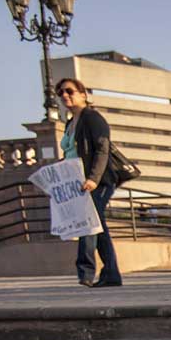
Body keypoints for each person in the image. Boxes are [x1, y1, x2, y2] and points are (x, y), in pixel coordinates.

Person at [55, 77, 121, 288]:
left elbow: (102, 148)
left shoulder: (92, 117)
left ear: (83, 94)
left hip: (98, 182)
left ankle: (85, 271)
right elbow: (70, 152)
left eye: (69, 91)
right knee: (97, 226)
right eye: (60, 93)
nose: (65, 95)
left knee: (89, 224)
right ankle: (111, 274)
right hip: (78, 183)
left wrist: (93, 179)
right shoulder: (70, 123)